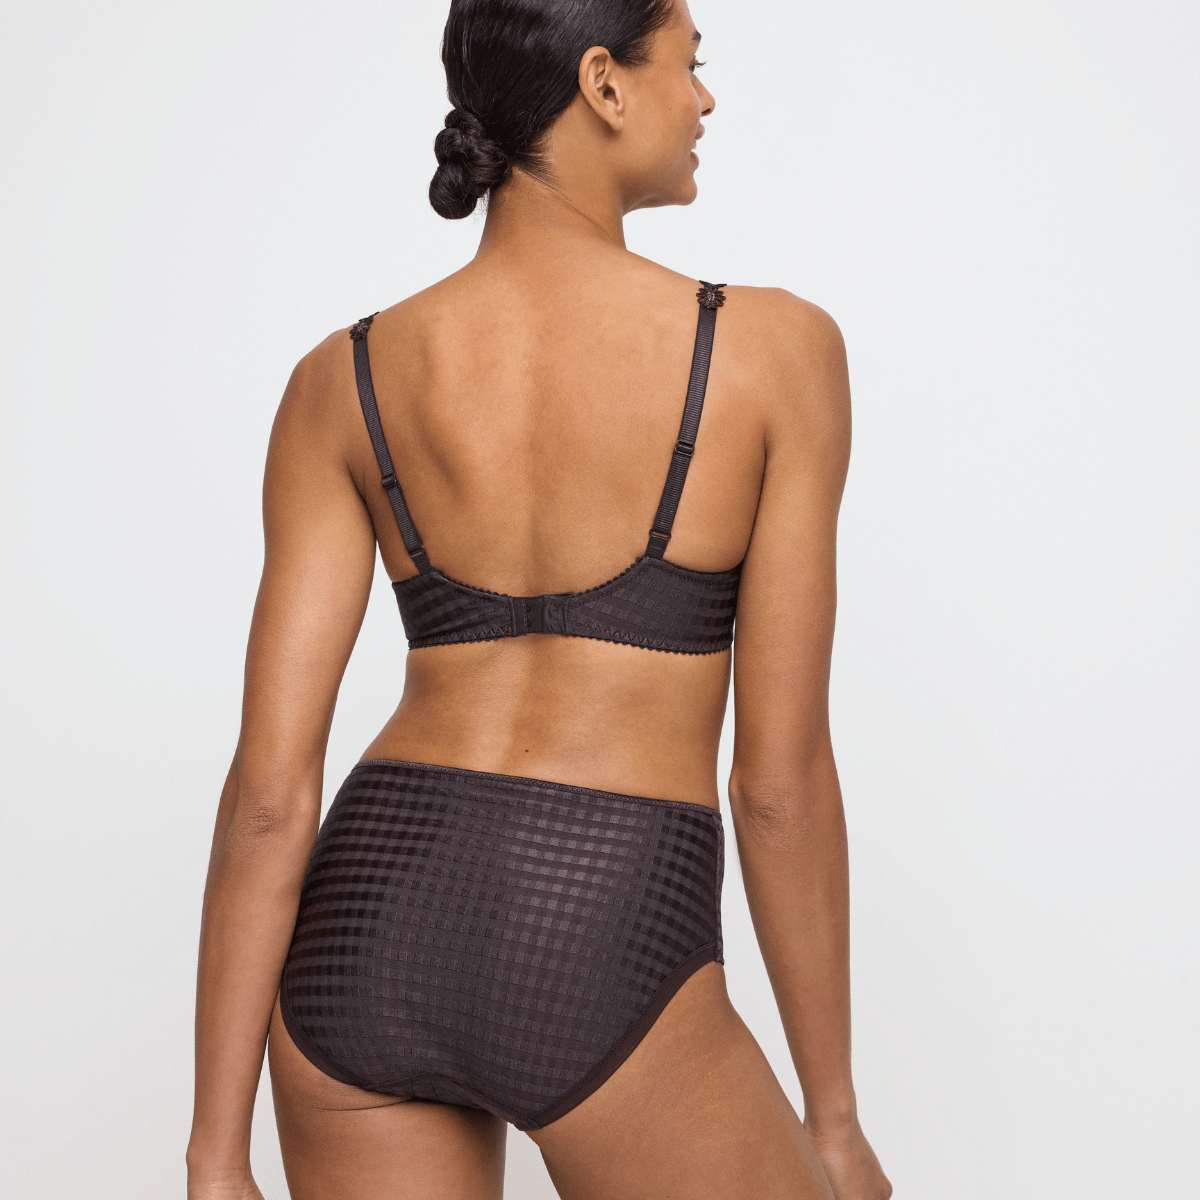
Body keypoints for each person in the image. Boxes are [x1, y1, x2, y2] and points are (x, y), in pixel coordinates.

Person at [187, 1, 891, 1197]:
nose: (705, 99)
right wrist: (832, 1120)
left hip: (367, 933)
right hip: (603, 921)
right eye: (691, 65)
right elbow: (776, 788)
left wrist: (214, 1156)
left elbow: (268, 796)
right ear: (603, 83)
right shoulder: (774, 352)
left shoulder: (341, 379)